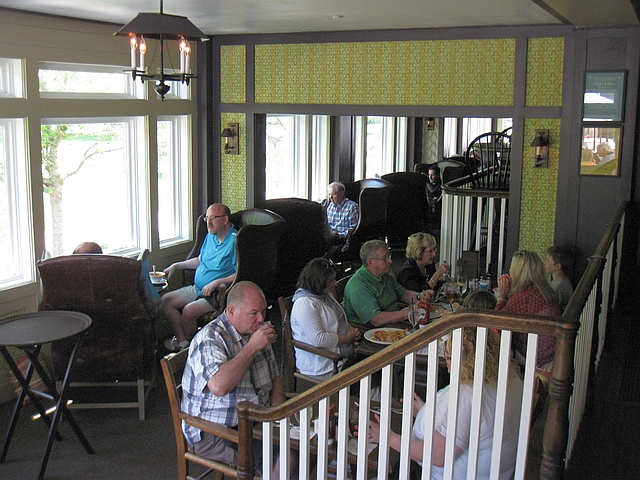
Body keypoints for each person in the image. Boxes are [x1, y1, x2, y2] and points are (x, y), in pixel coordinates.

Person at [367, 328, 523, 480]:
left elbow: (438, 456)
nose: (443, 357)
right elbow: (468, 425)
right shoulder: (511, 379)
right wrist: (425, 411)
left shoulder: (467, 394)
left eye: (448, 355)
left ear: (465, 359)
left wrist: (388, 437)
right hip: (499, 472)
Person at [181, 281, 285, 473]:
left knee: (301, 449)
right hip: (214, 432)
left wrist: (279, 419)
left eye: (264, 311)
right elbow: (219, 386)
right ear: (231, 311)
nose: (261, 318)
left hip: (253, 422)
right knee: (285, 460)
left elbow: (275, 376)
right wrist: (252, 347)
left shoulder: (255, 330)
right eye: (253, 313)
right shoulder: (210, 338)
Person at [162, 203, 237, 351]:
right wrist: (176, 265)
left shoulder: (236, 241)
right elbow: (200, 260)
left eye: (213, 218)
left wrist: (217, 282)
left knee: (188, 311)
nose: (208, 222)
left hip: (216, 294)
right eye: (207, 218)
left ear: (225, 219)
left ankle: (192, 348)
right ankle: (184, 344)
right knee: (165, 301)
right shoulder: (211, 237)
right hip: (198, 288)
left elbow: (240, 272)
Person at [290, 258, 361, 382]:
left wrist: (350, 330)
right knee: (367, 375)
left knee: (377, 366)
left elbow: (337, 320)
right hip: (322, 364)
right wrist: (347, 338)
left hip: (341, 354)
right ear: (318, 282)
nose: (335, 283)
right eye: (330, 280)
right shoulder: (305, 304)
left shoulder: (325, 295)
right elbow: (319, 339)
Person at [343, 239, 434, 327]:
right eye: (384, 258)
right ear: (370, 262)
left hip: (394, 323)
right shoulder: (358, 286)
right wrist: (410, 311)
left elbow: (403, 294)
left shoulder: (384, 275)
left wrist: (420, 296)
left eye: (389, 256)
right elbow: (376, 320)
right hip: (374, 332)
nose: (390, 261)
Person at [496, 250, 561, 369]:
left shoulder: (525, 295)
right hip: (552, 352)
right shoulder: (541, 290)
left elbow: (496, 323)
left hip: (538, 357)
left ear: (517, 271)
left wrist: (502, 297)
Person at [544, 245, 574, 312]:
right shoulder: (562, 281)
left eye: (548, 260)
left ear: (557, 266)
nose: (545, 262)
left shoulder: (558, 287)